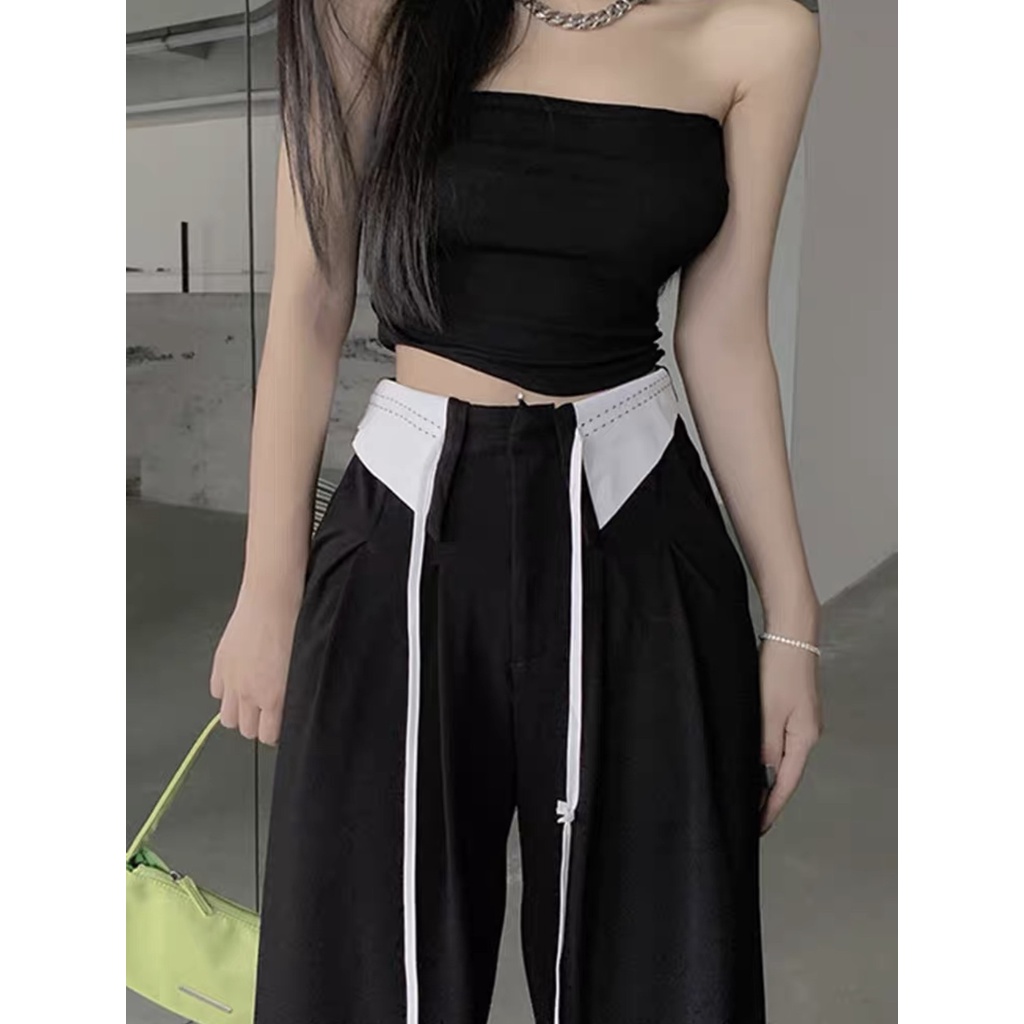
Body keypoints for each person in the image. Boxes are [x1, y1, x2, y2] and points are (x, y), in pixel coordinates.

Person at [209, 0, 823, 1021]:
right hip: (402, 524)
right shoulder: (369, 12)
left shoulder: (759, 35)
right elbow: (311, 300)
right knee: (358, 974)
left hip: (638, 532)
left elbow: (722, 330)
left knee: (660, 973)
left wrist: (793, 619)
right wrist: (268, 589)